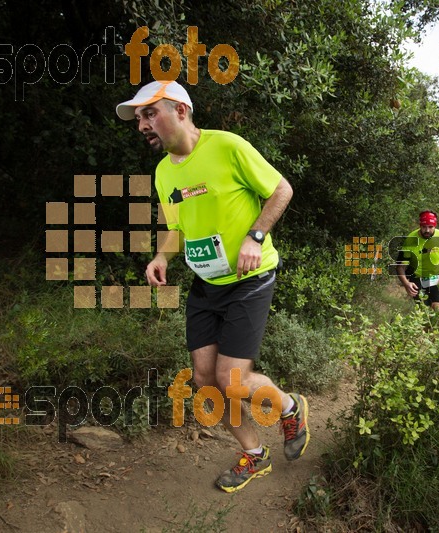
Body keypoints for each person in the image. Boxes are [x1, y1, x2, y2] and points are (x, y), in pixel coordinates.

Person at [116, 80, 308, 493]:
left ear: (181, 111)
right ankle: (255, 455)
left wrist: (255, 238)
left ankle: (290, 409)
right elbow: (176, 228)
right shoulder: (163, 172)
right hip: (206, 284)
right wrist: (161, 257)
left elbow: (281, 190)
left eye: (150, 114)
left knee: (232, 381)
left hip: (249, 280)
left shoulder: (228, 147)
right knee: (205, 381)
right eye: (139, 119)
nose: (142, 125)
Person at [396, 209, 439, 314]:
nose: (427, 230)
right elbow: (400, 267)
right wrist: (406, 283)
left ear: (435, 225)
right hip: (417, 279)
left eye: (430, 227)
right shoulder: (411, 239)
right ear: (420, 225)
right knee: (424, 315)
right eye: (424, 227)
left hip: (437, 278)